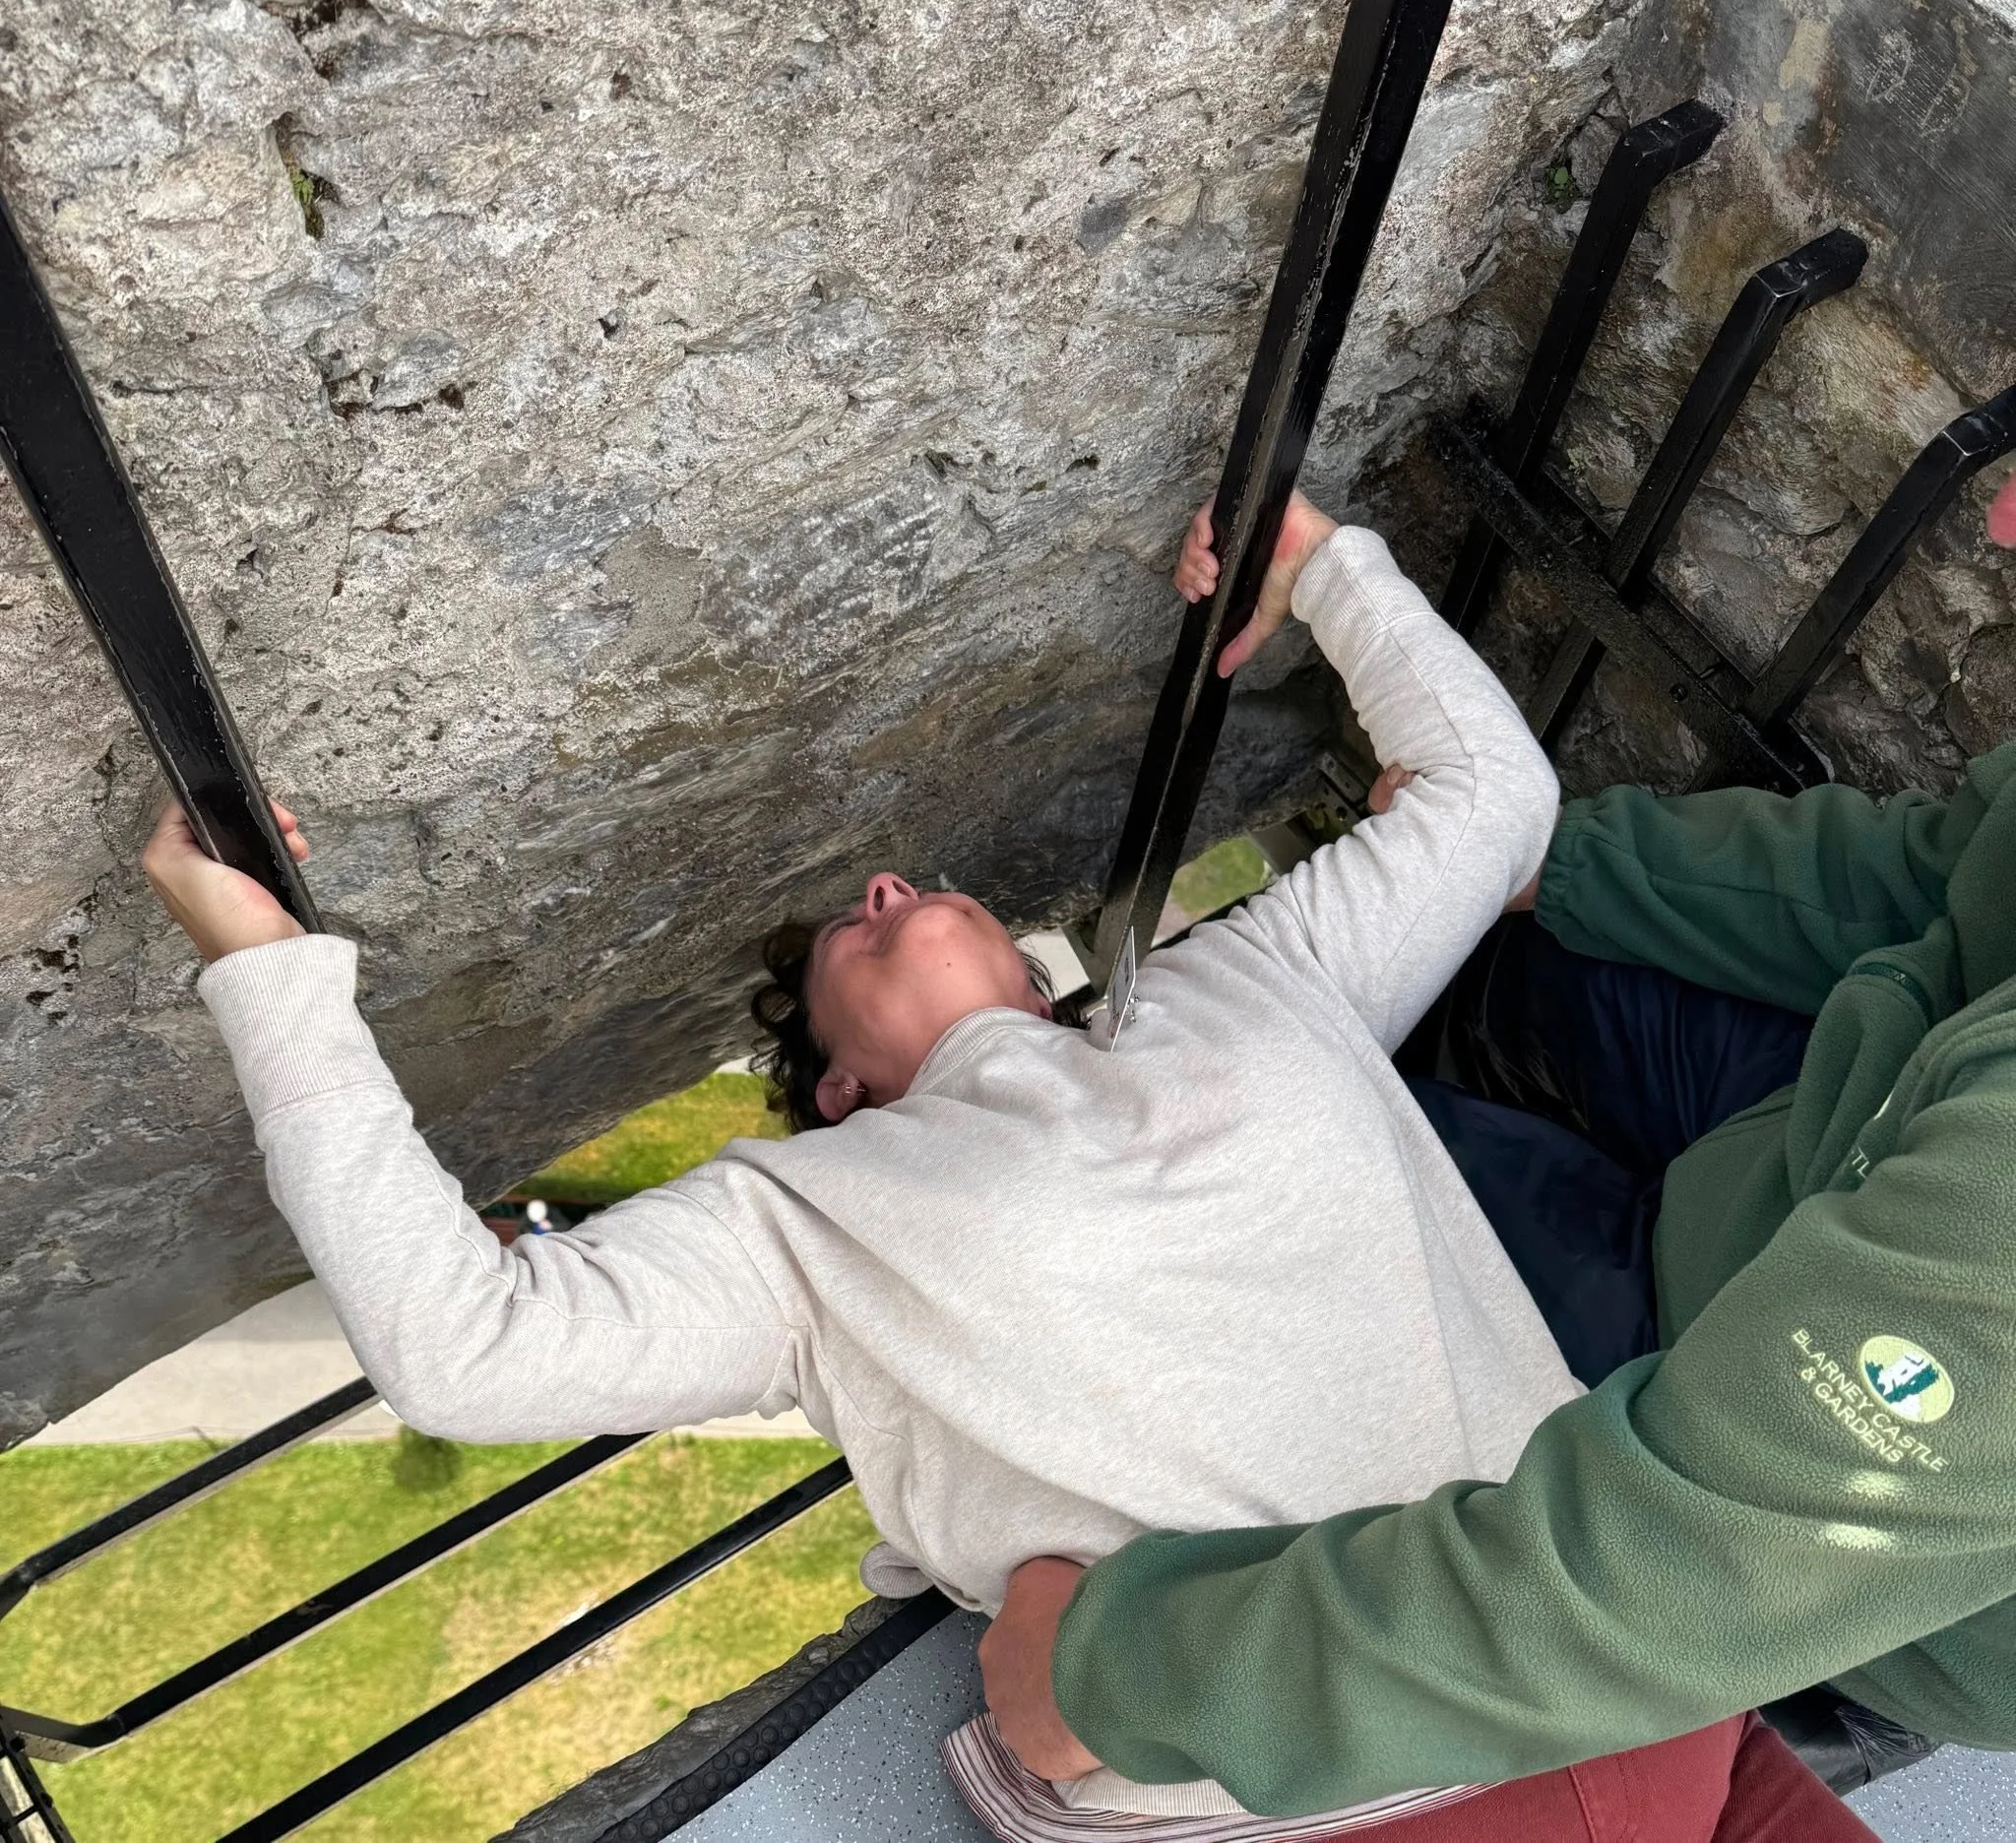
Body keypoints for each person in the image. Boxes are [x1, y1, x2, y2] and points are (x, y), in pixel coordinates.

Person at [141, 490, 1880, 1842]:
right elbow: (463, 1343)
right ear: (837, 1094)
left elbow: (1488, 804)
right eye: (848, 933)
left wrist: (1322, 564)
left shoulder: (1255, 979)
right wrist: (268, 971)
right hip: (1347, 1777)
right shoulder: (799, 1235)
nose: (887, 891)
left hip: (1622, 1650)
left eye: (900, 884)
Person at [978, 503, 2016, 1834]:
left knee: (1295, 1189)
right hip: (1822, 1139)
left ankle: (1817, 1693)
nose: (1988, 516)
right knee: (1480, 979)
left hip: (1786, 1471)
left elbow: (1663, 1570)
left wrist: (1117, 1679)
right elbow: (1941, 879)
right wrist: (1552, 862)